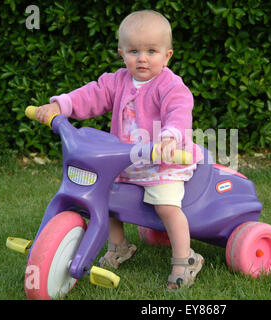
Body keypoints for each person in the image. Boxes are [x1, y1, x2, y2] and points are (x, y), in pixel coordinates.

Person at [35, 10, 204, 289]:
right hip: (125, 161)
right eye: (134, 51)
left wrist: (169, 139)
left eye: (152, 51)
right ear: (121, 53)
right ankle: (119, 246)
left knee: (166, 206)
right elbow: (90, 95)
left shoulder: (170, 85)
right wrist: (60, 106)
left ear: (167, 55)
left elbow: (179, 112)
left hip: (163, 161)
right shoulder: (118, 81)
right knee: (103, 197)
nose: (142, 58)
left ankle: (185, 259)